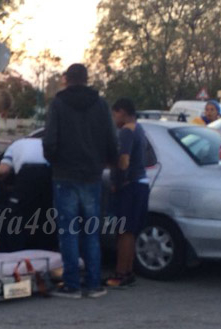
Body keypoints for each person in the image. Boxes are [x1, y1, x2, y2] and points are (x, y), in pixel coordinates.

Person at [43, 63, 118, 298]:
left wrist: (54, 160)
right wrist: (106, 162)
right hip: (92, 175)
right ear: (87, 79)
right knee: (91, 231)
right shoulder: (101, 104)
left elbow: (49, 140)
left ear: (67, 79)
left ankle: (72, 284)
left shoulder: (58, 104)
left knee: (68, 232)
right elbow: (111, 137)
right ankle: (94, 284)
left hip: (64, 174)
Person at [105, 98, 150, 288]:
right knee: (130, 231)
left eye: (115, 114)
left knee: (123, 232)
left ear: (122, 112)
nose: (114, 118)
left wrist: (117, 182)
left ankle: (120, 273)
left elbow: (124, 160)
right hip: (140, 184)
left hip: (129, 185)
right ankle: (128, 271)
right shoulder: (139, 129)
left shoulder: (126, 131)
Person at [0, 137, 53, 252]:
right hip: (49, 177)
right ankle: (42, 250)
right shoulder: (45, 143)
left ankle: (12, 250)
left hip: (27, 175)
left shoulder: (15, 145)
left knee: (15, 216)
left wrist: (0, 183)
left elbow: (3, 171)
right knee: (45, 215)